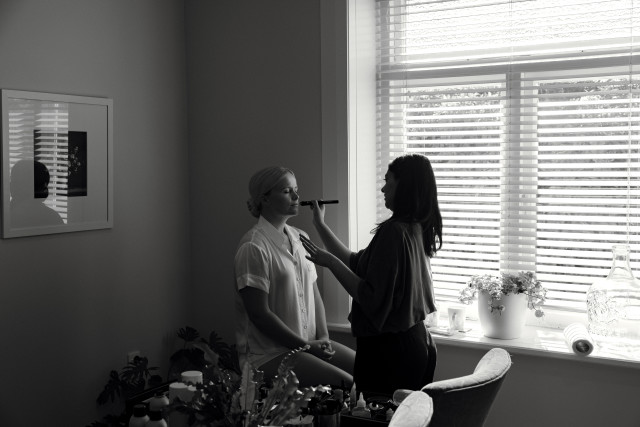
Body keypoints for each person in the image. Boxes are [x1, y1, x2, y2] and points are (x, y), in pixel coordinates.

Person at [300, 154, 442, 397]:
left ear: (404, 185)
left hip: (390, 351)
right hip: (416, 343)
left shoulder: (394, 231)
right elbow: (356, 262)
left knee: (375, 413)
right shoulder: (414, 227)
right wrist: (320, 225)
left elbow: (370, 297)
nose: (383, 188)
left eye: (388, 181)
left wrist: (330, 263)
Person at [234, 166, 355, 388]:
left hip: (308, 345)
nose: (297, 197)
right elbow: (259, 315)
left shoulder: (301, 238)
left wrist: (323, 338)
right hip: (270, 354)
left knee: (368, 371)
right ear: (265, 199)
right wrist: (305, 346)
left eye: (296, 190)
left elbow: (314, 294)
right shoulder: (254, 247)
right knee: (347, 385)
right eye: (287, 191)